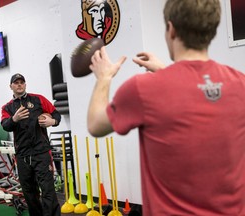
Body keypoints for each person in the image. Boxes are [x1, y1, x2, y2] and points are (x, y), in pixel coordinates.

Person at [87, 0, 245, 215]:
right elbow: (196, 92)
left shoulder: (142, 89)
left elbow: (96, 124)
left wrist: (104, 78)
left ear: (171, 29)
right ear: (213, 28)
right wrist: (165, 71)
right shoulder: (240, 83)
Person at [1, 73, 61, 216]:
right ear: (11, 87)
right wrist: (14, 119)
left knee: (47, 190)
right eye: (16, 83)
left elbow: (56, 114)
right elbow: (5, 125)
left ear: (25, 85)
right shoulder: (7, 108)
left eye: (22, 82)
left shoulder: (38, 99)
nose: (19, 84)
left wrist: (52, 122)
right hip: (22, 155)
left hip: (41, 153)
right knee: (29, 192)